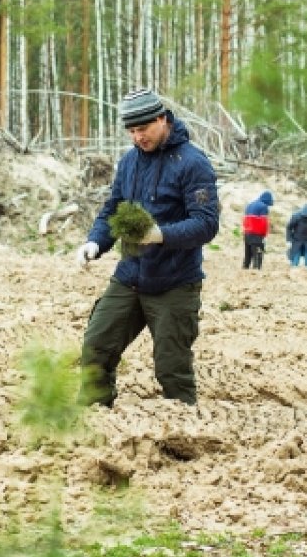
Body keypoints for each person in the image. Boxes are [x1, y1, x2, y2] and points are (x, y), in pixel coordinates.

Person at [75, 87, 220, 407]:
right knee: (96, 347)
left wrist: (160, 235)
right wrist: (94, 243)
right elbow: (113, 208)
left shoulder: (193, 163)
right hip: (129, 277)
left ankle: (186, 435)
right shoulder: (129, 162)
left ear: (162, 119)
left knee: (172, 367)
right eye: (131, 131)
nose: (137, 137)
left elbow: (207, 223)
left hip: (174, 283)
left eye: (143, 129)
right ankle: (93, 418)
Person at [242, 190, 273, 269]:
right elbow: (264, 222)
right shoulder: (263, 207)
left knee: (247, 255)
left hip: (247, 233)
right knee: (258, 254)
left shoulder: (250, 205)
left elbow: (244, 220)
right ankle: (256, 271)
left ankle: (245, 269)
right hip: (256, 234)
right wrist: (264, 234)